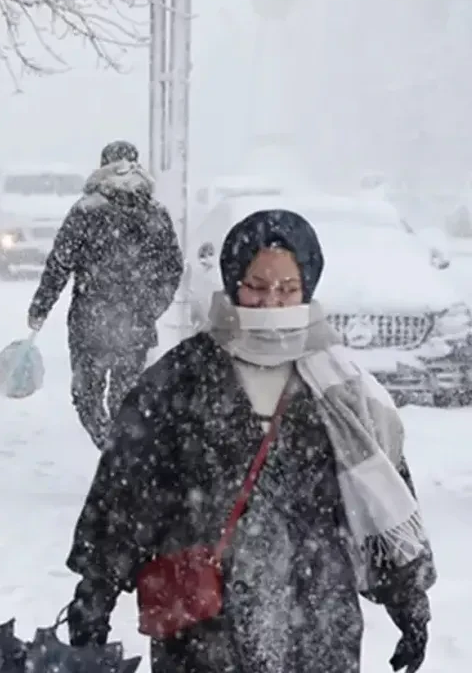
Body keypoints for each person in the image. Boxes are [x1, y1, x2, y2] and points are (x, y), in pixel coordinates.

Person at [63, 209, 436, 672]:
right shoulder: (182, 377)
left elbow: (382, 497)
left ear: (308, 288)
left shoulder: (342, 386)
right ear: (233, 282)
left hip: (316, 618)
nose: (271, 303)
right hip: (204, 623)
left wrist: (410, 601)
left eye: (287, 290)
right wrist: (94, 594)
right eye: (256, 287)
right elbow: (127, 493)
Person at [26, 140, 182, 448]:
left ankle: (109, 446)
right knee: (126, 396)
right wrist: (152, 306)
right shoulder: (155, 212)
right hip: (135, 322)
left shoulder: (86, 210)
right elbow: (173, 268)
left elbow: (60, 263)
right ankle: (121, 453)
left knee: (87, 396)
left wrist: (40, 308)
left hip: (90, 321)